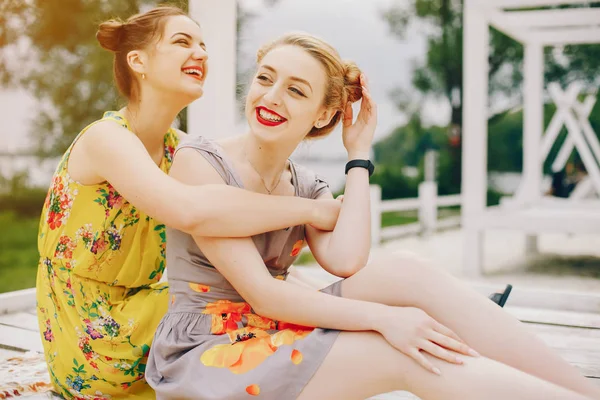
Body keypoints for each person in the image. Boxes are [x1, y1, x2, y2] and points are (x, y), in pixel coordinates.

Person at [146, 33, 600, 399]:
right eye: (265, 79)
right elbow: (264, 296)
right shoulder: (199, 161)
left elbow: (346, 261)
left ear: (324, 112)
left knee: (407, 273)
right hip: (208, 352)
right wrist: (387, 319)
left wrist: (358, 154)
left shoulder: (305, 184)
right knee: (403, 351)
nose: (272, 96)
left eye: (295, 90)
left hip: (273, 329)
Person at [35, 7, 342, 399]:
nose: (200, 54)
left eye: (203, 45)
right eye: (182, 42)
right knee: (236, 303)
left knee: (251, 288)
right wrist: (313, 211)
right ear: (138, 61)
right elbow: (191, 210)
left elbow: (234, 242)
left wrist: (326, 292)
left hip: (141, 310)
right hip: (90, 331)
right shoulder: (106, 139)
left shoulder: (178, 147)